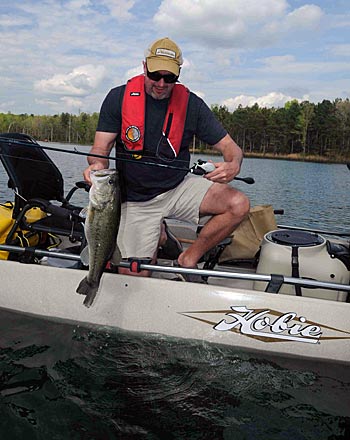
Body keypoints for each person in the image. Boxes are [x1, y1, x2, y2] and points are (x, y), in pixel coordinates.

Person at [83, 37, 250, 280]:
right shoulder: (117, 98)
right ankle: (159, 234)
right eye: (155, 75)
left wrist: (233, 164)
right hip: (136, 198)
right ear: (144, 67)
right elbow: (100, 149)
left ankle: (187, 259)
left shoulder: (192, 105)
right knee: (133, 276)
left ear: (178, 74)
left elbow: (231, 148)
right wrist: (96, 167)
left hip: (177, 187)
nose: (161, 83)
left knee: (238, 204)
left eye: (169, 77)